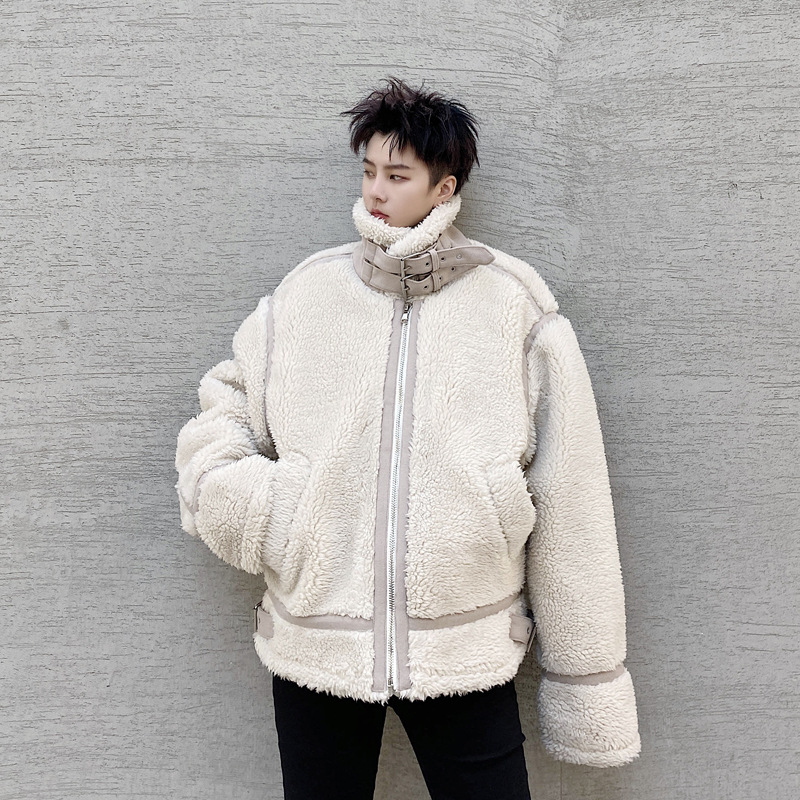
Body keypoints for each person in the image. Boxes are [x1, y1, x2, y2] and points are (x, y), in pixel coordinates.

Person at [174, 76, 641, 800]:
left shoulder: (512, 304)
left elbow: (572, 499)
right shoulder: (308, 294)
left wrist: (586, 677)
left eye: (397, 175)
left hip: (465, 646)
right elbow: (220, 415)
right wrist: (265, 513)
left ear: (443, 186)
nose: (376, 191)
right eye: (368, 171)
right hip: (316, 643)